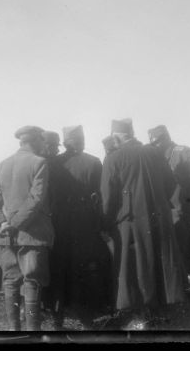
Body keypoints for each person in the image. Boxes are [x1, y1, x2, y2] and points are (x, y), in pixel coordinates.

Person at [101, 118, 185, 328]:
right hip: (159, 218)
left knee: (136, 265)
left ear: (117, 136)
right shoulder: (154, 152)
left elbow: (107, 197)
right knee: (159, 260)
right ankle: (160, 308)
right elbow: (172, 184)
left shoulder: (114, 158)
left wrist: (105, 222)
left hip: (131, 222)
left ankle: (141, 315)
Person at [0, 125, 54, 331]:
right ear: (36, 141)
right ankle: (32, 331)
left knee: (10, 282)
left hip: (6, 236)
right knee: (31, 284)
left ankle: (14, 331)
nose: (44, 145)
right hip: (32, 235)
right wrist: (14, 225)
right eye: (42, 141)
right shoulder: (39, 162)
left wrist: (1, 224)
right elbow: (36, 199)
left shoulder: (3, 164)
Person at [57, 125, 112, 327]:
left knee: (69, 265)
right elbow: (101, 196)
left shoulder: (56, 163)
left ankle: (70, 304)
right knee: (91, 266)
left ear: (65, 142)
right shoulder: (93, 162)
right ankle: (95, 304)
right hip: (87, 224)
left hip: (63, 226)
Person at [148, 124, 190, 297]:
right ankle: (184, 288)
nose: (156, 147)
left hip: (189, 212)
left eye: (158, 142)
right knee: (178, 252)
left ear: (166, 139)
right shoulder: (156, 158)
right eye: (153, 144)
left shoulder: (183, 152)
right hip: (170, 215)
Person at [40, 130, 68, 328]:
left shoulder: (54, 165)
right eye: (51, 146)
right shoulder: (46, 164)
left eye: (55, 147)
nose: (53, 150)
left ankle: (52, 310)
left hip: (52, 224)